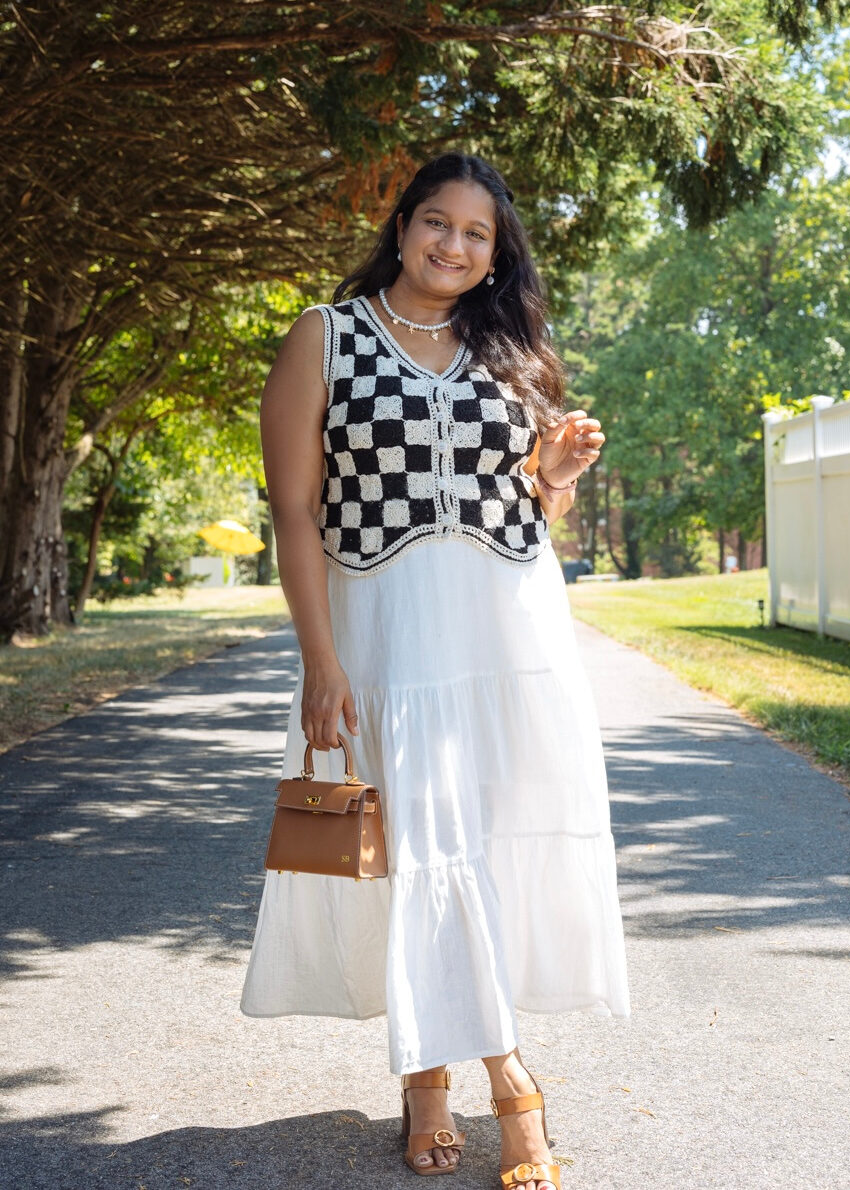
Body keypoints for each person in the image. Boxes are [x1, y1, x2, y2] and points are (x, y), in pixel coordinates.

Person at [241, 153, 630, 1190]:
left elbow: (530, 512)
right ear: (403, 223)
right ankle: (491, 1081)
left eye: (478, 234)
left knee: (490, 847)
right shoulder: (325, 337)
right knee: (420, 845)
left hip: (509, 629)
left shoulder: (514, 348)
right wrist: (318, 659)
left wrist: (553, 475)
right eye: (439, 223)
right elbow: (293, 515)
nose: (454, 246)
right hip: (387, 629)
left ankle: (436, 1076)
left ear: (495, 255)